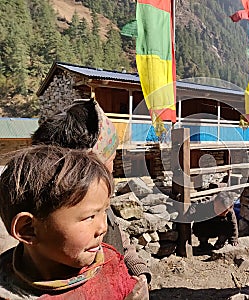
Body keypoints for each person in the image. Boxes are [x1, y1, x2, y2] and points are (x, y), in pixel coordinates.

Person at [31, 99, 151, 293]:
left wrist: (138, 271)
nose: (112, 169)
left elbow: (118, 241)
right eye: (110, 160)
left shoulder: (98, 202)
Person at [0, 145, 142, 299]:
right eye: (89, 217)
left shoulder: (109, 262)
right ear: (28, 229)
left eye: (104, 211)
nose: (102, 228)